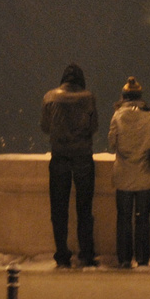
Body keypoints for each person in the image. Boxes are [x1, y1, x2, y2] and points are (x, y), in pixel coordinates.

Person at [41, 63, 99, 268]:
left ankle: (62, 254)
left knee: (59, 209)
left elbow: (45, 127)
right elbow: (94, 127)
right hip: (83, 156)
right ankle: (86, 252)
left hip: (59, 157)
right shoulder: (88, 98)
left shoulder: (50, 97)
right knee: (84, 208)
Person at [107, 77, 150, 268]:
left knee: (123, 218)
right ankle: (143, 258)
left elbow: (112, 143)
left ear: (124, 96)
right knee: (143, 217)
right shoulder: (149, 114)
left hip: (123, 175)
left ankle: (124, 258)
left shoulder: (118, 116)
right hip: (145, 173)